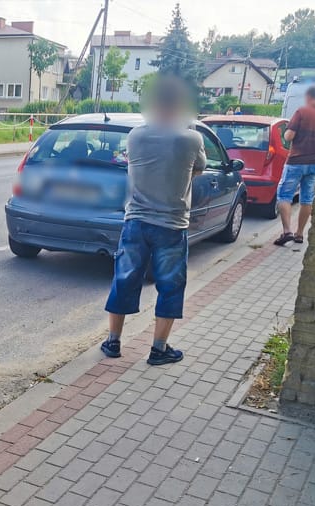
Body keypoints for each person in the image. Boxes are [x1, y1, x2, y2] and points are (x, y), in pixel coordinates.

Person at [101, 75, 206, 366]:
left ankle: (113, 343)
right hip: (172, 225)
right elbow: (198, 169)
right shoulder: (191, 138)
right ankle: (159, 349)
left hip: (135, 222)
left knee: (124, 280)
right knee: (171, 286)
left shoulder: (136, 136)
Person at [273, 85, 315, 246]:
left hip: (296, 161)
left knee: (284, 195)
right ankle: (299, 234)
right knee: (307, 199)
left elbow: (289, 136)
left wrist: (286, 133)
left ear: (309, 97)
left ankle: (287, 231)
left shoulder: (302, 112)